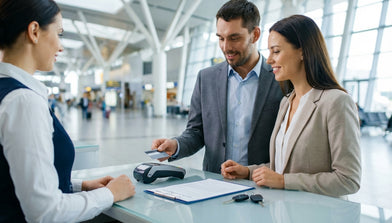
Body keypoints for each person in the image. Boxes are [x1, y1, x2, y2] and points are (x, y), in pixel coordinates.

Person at [0, 0, 135, 222]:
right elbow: (45, 212)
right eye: (59, 33)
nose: (61, 46)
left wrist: (80, 185)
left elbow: (9, 177)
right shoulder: (22, 101)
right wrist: (110, 193)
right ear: (34, 31)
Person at [221, 15, 361, 197]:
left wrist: (284, 181)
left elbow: (349, 179)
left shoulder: (336, 102)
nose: (269, 60)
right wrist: (248, 172)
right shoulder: (286, 102)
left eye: (276, 51)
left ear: (302, 52)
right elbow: (283, 165)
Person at [151, 0, 283, 173]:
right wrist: (176, 145)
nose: (226, 47)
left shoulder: (280, 80)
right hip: (215, 182)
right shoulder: (206, 78)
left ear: (255, 35)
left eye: (234, 38)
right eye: (221, 38)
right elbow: (196, 131)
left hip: (262, 186)